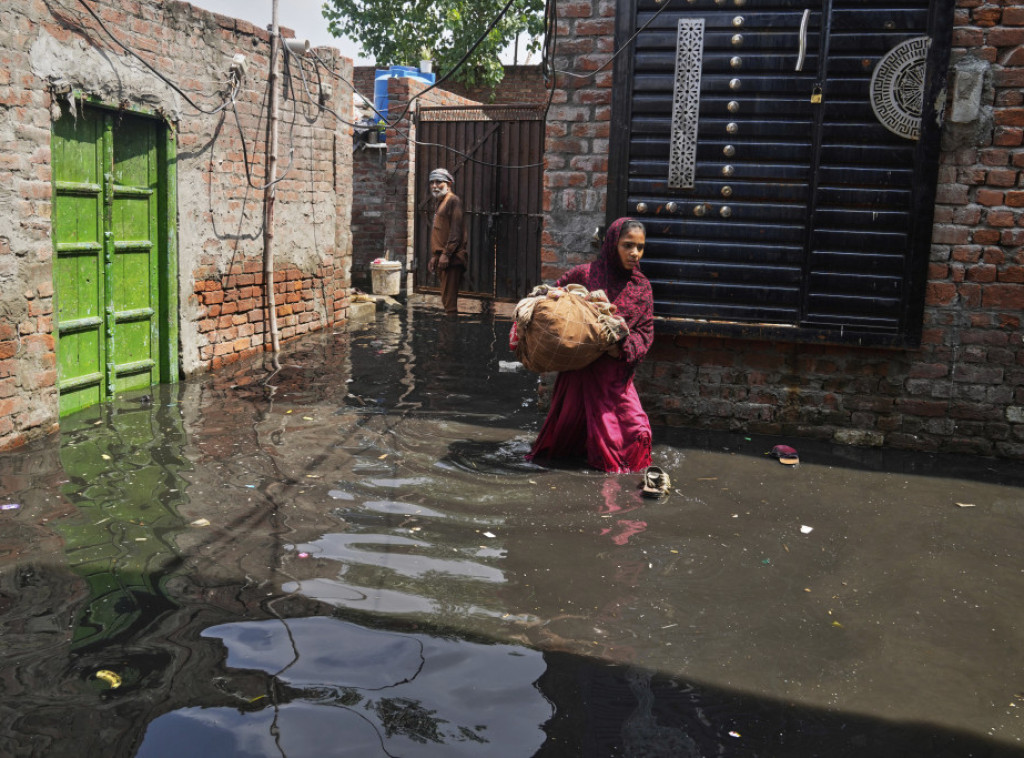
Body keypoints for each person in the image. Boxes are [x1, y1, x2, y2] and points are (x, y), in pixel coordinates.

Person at [527, 217, 654, 473]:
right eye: (628, 245)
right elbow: (552, 298)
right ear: (612, 245)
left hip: (614, 377)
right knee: (566, 443)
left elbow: (645, 333)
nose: (635, 253)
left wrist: (619, 346)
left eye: (640, 247)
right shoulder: (585, 274)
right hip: (579, 373)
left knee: (637, 433)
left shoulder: (642, 287)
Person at [426, 168, 468, 315]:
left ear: (449, 184)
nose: (434, 186)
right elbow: (440, 232)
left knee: (449, 303)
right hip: (443, 257)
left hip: (452, 258)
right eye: (432, 182)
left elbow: (456, 232)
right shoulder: (440, 202)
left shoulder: (453, 201)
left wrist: (446, 254)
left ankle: (450, 328)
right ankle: (448, 327)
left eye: (439, 182)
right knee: (445, 299)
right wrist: (435, 256)